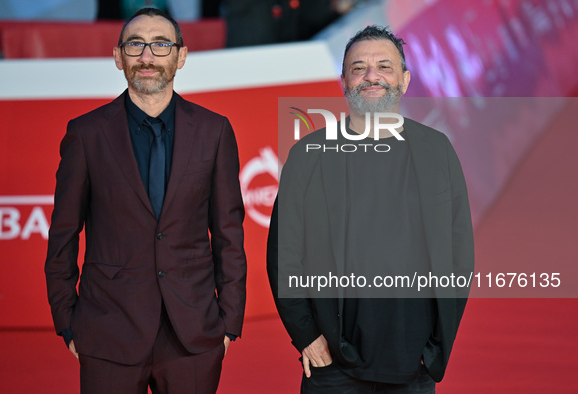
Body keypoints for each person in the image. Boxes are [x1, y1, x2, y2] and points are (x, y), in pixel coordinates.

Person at [45, 7, 246, 393]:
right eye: (136, 44)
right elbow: (63, 236)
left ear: (180, 57)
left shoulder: (214, 131)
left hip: (194, 335)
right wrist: (67, 320)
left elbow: (228, 234)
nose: (147, 56)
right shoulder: (85, 134)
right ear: (118, 56)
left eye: (161, 44)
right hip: (107, 331)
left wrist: (228, 322)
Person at [267, 25, 474, 393]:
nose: (371, 76)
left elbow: (458, 253)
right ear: (344, 81)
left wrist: (438, 343)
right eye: (358, 68)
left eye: (384, 66)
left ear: (405, 80)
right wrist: (307, 337)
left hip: (414, 362)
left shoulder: (436, 150)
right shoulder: (309, 156)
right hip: (332, 361)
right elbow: (284, 257)